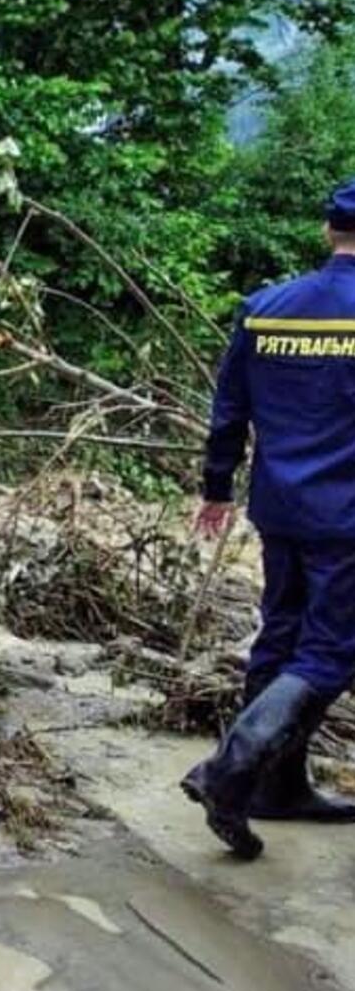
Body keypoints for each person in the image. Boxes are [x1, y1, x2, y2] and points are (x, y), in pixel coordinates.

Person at [182, 176, 355, 859]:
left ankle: (280, 790)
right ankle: (228, 772)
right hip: (346, 517)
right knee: (330, 651)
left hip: (279, 505)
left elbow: (229, 411)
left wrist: (216, 488)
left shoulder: (266, 308)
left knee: (280, 637)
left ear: (326, 232)